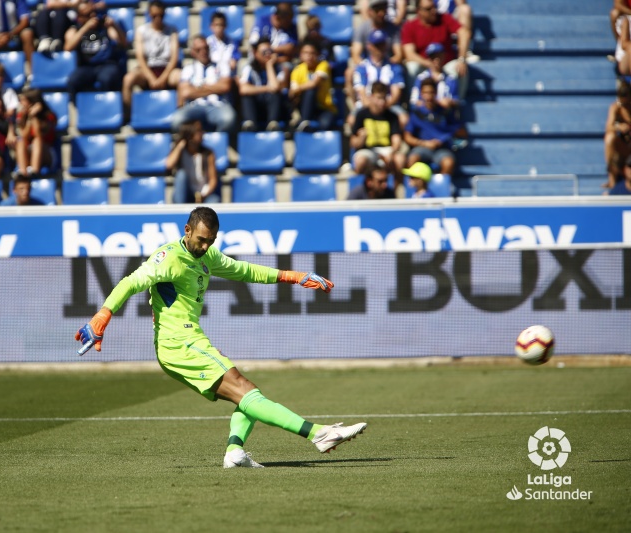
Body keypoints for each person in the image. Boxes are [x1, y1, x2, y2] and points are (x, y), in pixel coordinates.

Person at [75, 206, 368, 468]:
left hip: (189, 341)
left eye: (211, 240)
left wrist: (294, 276)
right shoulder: (168, 258)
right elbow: (131, 282)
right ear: (187, 230)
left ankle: (235, 451)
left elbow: (244, 271)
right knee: (245, 389)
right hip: (178, 343)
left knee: (248, 394)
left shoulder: (208, 255)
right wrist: (103, 315)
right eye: (201, 239)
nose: (205, 246)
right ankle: (319, 434)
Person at [401, 0, 469, 100]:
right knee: (411, 67)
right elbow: (409, 54)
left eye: (434, 7)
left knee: (459, 68)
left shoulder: (444, 18)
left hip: (445, 64)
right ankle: (414, 104)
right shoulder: (410, 26)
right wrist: (429, 64)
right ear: (418, 11)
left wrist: (462, 58)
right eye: (428, 9)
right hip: (424, 64)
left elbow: (464, 32)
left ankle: (456, 103)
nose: (433, 11)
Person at [121, 1, 180, 111]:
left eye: (161, 15)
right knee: (128, 79)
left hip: (167, 70)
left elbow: (174, 58)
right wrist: (151, 78)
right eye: (154, 15)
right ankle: (128, 115)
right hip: (147, 70)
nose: (157, 18)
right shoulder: (141, 31)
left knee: (182, 77)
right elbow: (141, 58)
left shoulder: (172, 30)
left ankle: (181, 112)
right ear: (149, 14)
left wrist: (163, 78)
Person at [171, 35, 236, 133]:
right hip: (194, 107)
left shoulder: (222, 66)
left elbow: (225, 86)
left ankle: (216, 143)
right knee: (177, 120)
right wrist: (215, 87)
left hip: (218, 105)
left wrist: (197, 88)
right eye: (198, 50)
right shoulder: (187, 69)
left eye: (206, 48)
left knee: (229, 119)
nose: (203, 52)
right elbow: (185, 93)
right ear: (193, 52)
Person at [403, 77, 467, 177]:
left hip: (443, 149)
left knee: (448, 163)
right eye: (425, 93)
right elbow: (407, 137)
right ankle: (416, 190)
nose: (428, 96)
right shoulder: (416, 113)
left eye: (431, 92)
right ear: (421, 94)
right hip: (422, 148)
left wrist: (446, 136)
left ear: (436, 93)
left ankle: (441, 190)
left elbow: (462, 132)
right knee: (412, 159)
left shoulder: (446, 112)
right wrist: (424, 143)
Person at [64, 3, 127, 97]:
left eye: (94, 12)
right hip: (87, 67)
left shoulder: (105, 27)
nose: (93, 16)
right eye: (88, 14)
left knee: (106, 79)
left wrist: (114, 26)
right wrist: (85, 28)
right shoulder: (75, 29)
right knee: (72, 81)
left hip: (107, 64)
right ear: (80, 18)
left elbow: (123, 43)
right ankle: (80, 108)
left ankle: (108, 107)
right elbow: (68, 48)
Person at [351, 29, 406, 128]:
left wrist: (383, 106)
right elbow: (362, 94)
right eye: (377, 45)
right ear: (369, 46)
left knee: (403, 119)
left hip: (388, 106)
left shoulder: (394, 67)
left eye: (382, 45)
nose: (380, 48)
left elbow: (395, 94)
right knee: (352, 120)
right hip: (366, 106)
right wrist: (374, 108)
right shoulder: (362, 67)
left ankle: (394, 139)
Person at [350, 81, 405, 180]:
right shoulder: (361, 114)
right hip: (367, 151)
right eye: (379, 98)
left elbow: (396, 140)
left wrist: (392, 153)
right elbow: (353, 142)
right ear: (371, 97)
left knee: (400, 159)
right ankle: (361, 190)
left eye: (384, 98)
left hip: (387, 150)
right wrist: (361, 139)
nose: (382, 102)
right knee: (360, 161)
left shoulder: (392, 116)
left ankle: (397, 193)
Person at [238, 39, 287, 132]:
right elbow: (243, 89)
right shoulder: (249, 68)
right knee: (246, 96)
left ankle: (273, 123)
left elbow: (276, 87)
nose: (268, 54)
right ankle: (250, 123)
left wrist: (269, 65)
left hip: (273, 107)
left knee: (275, 94)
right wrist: (267, 88)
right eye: (264, 52)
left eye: (270, 51)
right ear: (256, 53)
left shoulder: (279, 68)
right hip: (256, 107)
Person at [165, 120, 219, 204]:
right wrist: (180, 145)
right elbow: (169, 165)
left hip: (204, 194)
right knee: (181, 174)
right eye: (199, 130)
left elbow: (213, 180)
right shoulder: (181, 151)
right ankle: (180, 212)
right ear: (190, 133)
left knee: (214, 201)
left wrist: (203, 195)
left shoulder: (208, 153)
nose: (203, 133)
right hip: (185, 194)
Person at [349, 0, 403, 82]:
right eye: (377, 10)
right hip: (367, 65)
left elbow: (398, 55)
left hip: (389, 65)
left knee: (399, 70)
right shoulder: (362, 28)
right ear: (370, 12)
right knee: (349, 73)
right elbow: (356, 56)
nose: (381, 13)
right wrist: (370, 66)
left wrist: (384, 65)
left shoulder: (394, 29)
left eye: (383, 9)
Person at [289, 40, 336, 132]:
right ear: (300, 55)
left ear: (317, 55)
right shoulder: (297, 70)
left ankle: (303, 122)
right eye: (306, 53)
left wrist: (298, 88)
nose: (309, 56)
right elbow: (292, 94)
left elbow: (314, 83)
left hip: (324, 107)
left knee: (325, 125)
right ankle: (304, 121)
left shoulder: (323, 65)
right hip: (304, 106)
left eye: (312, 53)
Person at [14, 88, 57, 178]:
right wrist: (29, 118)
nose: (20, 104)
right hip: (28, 151)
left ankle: (35, 171)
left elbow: (38, 135)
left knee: (37, 141)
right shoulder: (21, 115)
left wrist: (34, 117)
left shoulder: (49, 116)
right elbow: (24, 136)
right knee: (20, 142)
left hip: (46, 152)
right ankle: (23, 172)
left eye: (23, 101)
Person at [248, 2, 298, 77]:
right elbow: (255, 45)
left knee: (288, 68)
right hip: (260, 63)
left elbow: (292, 48)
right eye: (288, 19)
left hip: (280, 62)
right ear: (277, 17)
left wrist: (270, 52)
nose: (291, 21)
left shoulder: (292, 27)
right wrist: (274, 51)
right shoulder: (262, 21)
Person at [409, 42, 459, 111]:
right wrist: (431, 103)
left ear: (444, 56)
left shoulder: (450, 78)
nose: (436, 60)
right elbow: (413, 102)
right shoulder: (421, 78)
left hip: (444, 116)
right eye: (433, 57)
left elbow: (456, 100)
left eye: (439, 56)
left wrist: (449, 102)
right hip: (424, 115)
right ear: (429, 59)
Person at [604, 81, 631, 189]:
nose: (624, 106)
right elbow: (608, 127)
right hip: (624, 147)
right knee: (609, 138)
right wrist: (619, 126)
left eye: (627, 103)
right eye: (622, 103)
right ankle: (612, 178)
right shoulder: (616, 108)